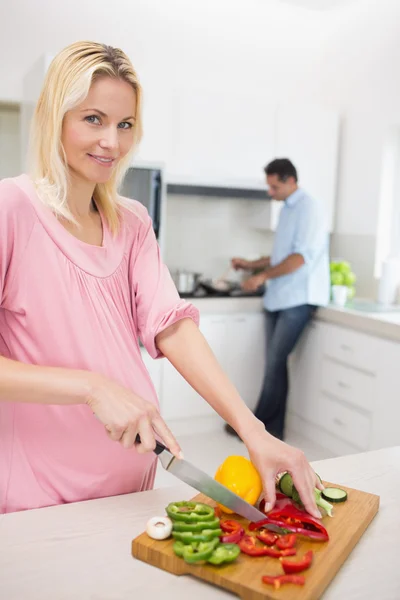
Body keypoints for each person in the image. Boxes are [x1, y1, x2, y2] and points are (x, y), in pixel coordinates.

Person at [0, 43, 322, 517]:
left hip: (136, 481)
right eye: (93, 119)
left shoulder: (131, 222)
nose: (112, 141)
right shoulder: (12, 209)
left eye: (125, 124)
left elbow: (172, 326)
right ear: (56, 116)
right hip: (42, 494)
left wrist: (255, 432)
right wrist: (92, 387)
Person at [229, 158, 329, 441]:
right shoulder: (287, 210)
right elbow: (281, 254)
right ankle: (272, 430)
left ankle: (254, 428)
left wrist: (262, 278)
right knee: (275, 363)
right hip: (280, 297)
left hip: (299, 298)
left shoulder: (310, 208)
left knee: (275, 360)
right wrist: (251, 265)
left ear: (290, 181)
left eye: (274, 187)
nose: (270, 193)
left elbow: (300, 258)